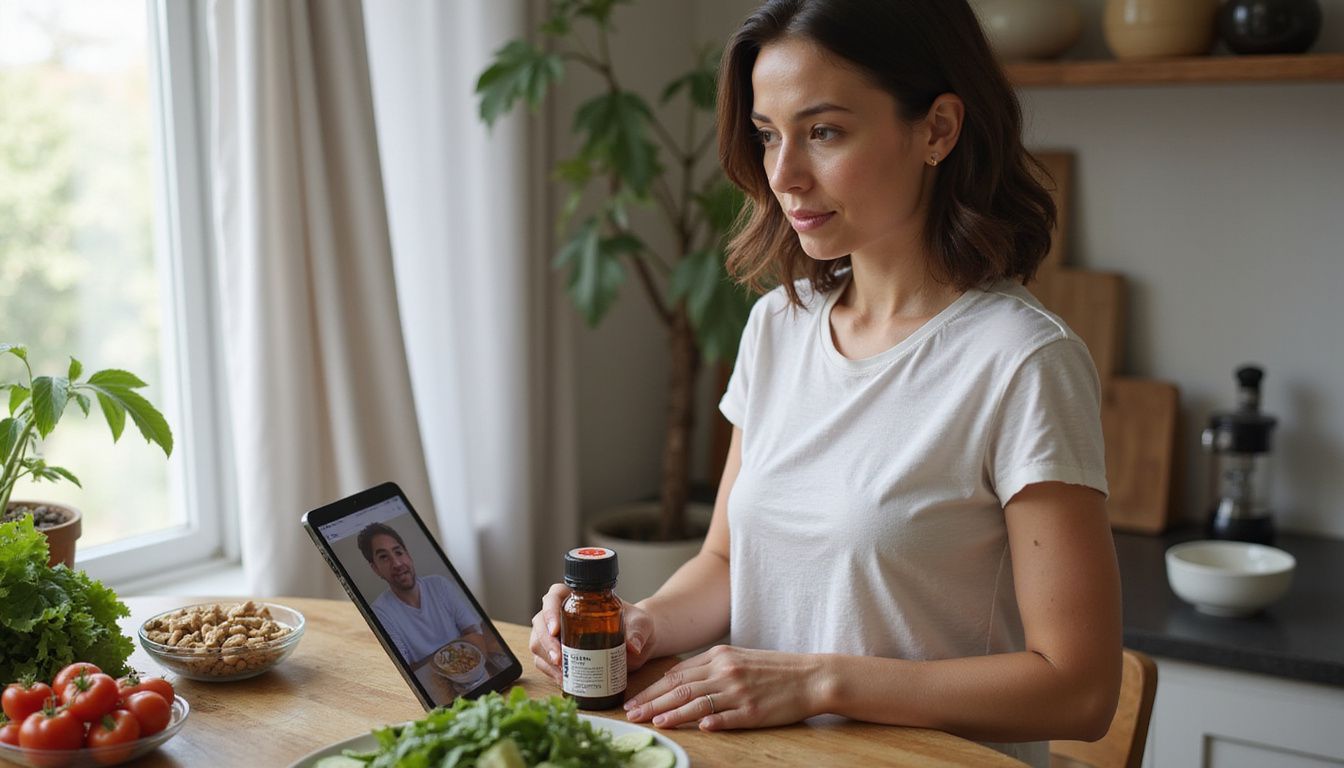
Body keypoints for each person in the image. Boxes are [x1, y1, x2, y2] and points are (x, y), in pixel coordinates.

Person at [530, 1, 1122, 765]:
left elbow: (1079, 690)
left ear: (937, 129)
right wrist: (637, 621)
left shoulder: (1022, 361)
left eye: (824, 131)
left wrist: (818, 682)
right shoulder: (779, 324)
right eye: (769, 135)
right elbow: (726, 562)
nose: (783, 175)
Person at [357, 522, 486, 664]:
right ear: (375, 569)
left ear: (408, 555)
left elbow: (473, 632)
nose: (397, 564)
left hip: (468, 666)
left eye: (399, 552)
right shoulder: (380, 613)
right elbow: (405, 668)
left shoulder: (439, 585)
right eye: (384, 557)